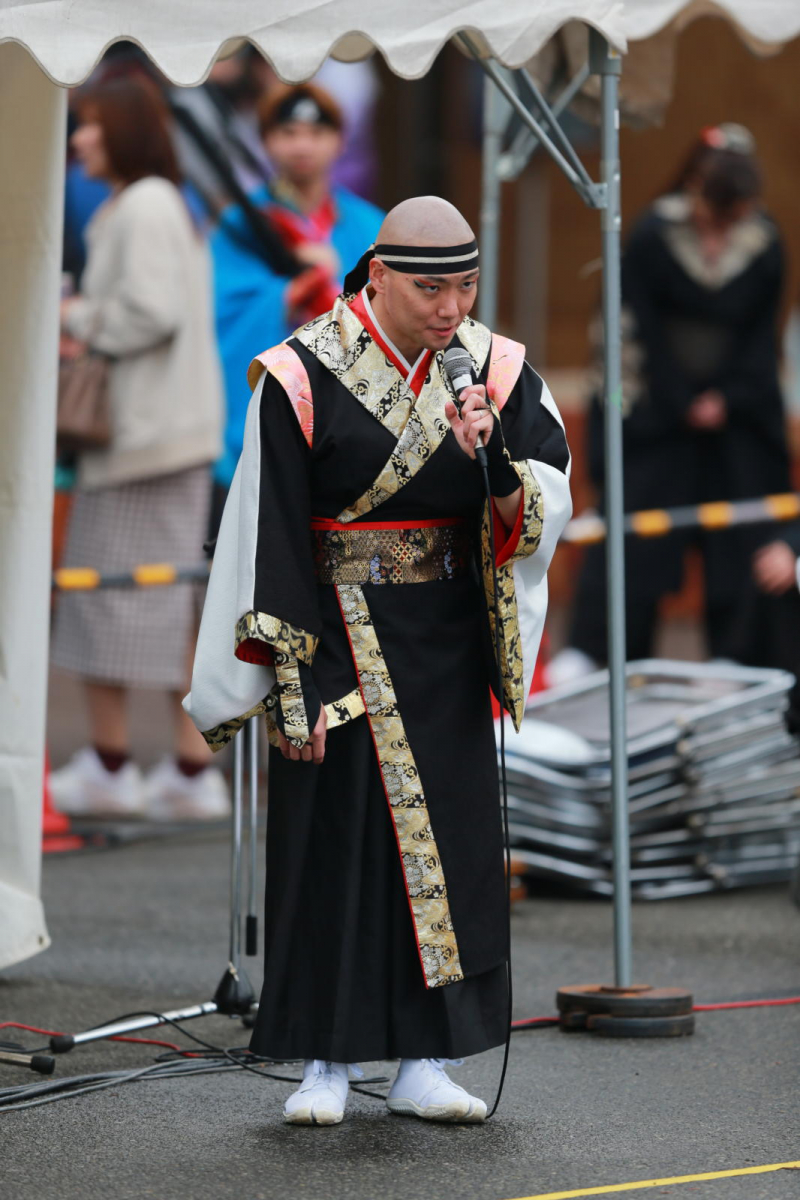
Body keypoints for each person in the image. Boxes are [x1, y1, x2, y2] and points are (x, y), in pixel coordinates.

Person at [184, 196, 572, 1124]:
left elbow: (545, 499)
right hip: (335, 632)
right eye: (432, 287)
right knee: (336, 847)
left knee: (451, 851)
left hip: (446, 636)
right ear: (380, 275)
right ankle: (325, 1059)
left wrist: (499, 462)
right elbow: (270, 526)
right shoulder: (301, 371)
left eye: (466, 286)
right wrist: (294, 679)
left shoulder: (499, 371)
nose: (452, 307)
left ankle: (427, 1059)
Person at [50, 77, 228, 822]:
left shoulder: (143, 203)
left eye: (89, 126)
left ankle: (131, 764)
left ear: (120, 131)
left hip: (148, 437)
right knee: (148, 602)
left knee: (118, 598)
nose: (78, 141)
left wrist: (75, 315)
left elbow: (147, 313)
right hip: (164, 436)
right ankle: (170, 767)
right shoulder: (159, 199)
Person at [560, 124, 790, 676]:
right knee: (636, 532)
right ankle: (605, 657)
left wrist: (725, 398)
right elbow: (637, 330)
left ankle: (743, 661)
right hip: (658, 409)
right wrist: (682, 398)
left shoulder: (766, 244)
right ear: (693, 188)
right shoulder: (651, 236)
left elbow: (764, 335)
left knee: (743, 536)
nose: (717, 233)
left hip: (735, 412)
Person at [210, 82, 383, 500]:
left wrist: (338, 278)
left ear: (340, 141)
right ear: (266, 141)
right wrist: (287, 294)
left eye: (316, 133)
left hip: (348, 412)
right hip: (266, 402)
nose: (302, 145)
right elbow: (218, 312)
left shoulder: (371, 224)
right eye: (287, 133)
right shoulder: (240, 225)